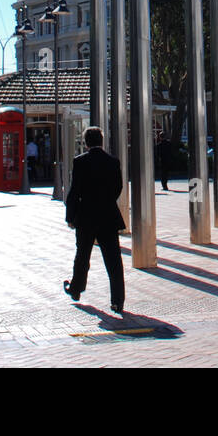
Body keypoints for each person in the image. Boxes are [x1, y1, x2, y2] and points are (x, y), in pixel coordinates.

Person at [63, 126, 126, 313]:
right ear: (102, 140)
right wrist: (106, 201)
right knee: (113, 260)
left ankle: (76, 289)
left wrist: (71, 216)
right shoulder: (113, 161)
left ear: (85, 142)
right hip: (108, 215)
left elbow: (75, 191)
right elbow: (118, 187)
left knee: (82, 255)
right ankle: (118, 300)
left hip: (86, 215)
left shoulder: (80, 161)